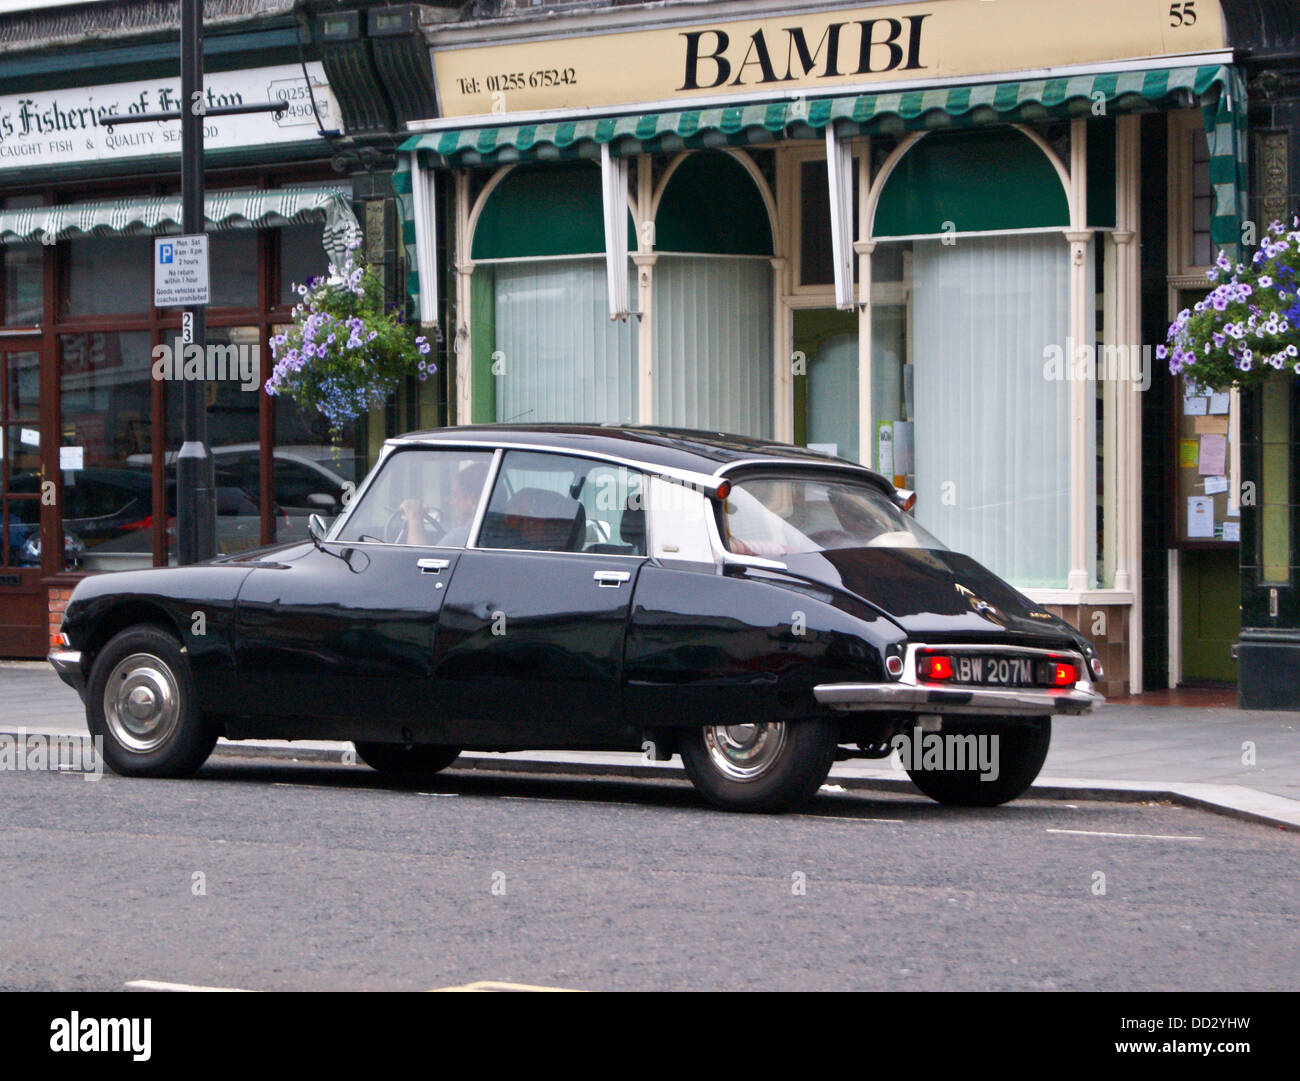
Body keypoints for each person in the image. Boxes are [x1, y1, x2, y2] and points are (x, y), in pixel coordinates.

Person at [399, 461, 488, 547]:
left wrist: (414, 517)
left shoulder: (467, 535)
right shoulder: (491, 530)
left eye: (455, 496)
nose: (451, 503)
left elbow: (421, 558)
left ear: (471, 501)